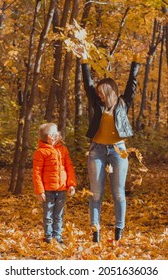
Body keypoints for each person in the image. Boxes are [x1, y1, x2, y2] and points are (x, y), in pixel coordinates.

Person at [77, 46, 141, 242]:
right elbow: (87, 85)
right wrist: (85, 61)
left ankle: (118, 233)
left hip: (118, 152)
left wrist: (136, 60)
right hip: (96, 151)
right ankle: (95, 234)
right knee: (96, 194)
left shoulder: (123, 103)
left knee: (119, 194)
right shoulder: (97, 104)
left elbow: (132, 84)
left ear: (109, 90)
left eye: (101, 92)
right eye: (97, 93)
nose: (98, 95)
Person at [33, 123, 77, 244]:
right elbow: (36, 173)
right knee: (48, 215)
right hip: (48, 191)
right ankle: (48, 237)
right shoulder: (41, 152)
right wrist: (39, 191)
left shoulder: (63, 150)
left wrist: (71, 184)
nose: (59, 133)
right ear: (50, 137)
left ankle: (57, 237)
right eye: (56, 132)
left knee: (59, 215)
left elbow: (69, 168)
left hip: (62, 189)